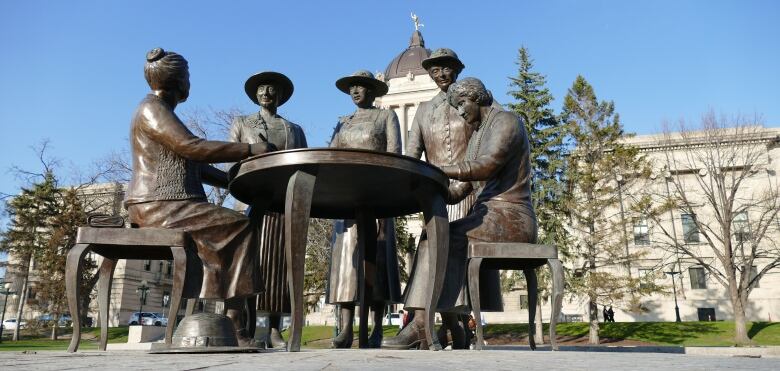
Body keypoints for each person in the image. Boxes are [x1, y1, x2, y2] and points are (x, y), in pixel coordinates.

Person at [124, 48, 274, 345]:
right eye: (188, 76)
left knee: (231, 228)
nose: (189, 82)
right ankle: (235, 323)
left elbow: (193, 163)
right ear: (178, 80)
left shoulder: (161, 111)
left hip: (170, 203)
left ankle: (228, 320)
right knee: (240, 226)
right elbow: (192, 147)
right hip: (158, 204)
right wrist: (249, 149)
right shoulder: (152, 109)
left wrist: (237, 179)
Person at [387, 78, 537, 350]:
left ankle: (422, 324)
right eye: (455, 107)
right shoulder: (478, 135)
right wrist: (431, 189)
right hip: (488, 215)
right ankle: (434, 322)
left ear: (476, 98)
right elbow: (460, 191)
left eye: (462, 105)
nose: (460, 112)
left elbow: (486, 166)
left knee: (440, 239)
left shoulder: (506, 122)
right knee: (432, 235)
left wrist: (442, 170)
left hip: (512, 217)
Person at [383, 49, 503, 350]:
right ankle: (445, 328)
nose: (441, 74)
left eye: (447, 67)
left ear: (457, 70)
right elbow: (412, 156)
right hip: (436, 197)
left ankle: (451, 327)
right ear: (429, 73)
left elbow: (495, 135)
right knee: (436, 250)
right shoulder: (423, 111)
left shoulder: (474, 103)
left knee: (455, 257)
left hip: (471, 193)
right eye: (435, 69)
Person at [228, 71, 307, 349]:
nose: (266, 93)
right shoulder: (241, 123)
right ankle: (245, 324)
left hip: (282, 205)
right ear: (255, 95)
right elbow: (232, 164)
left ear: (280, 95)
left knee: (278, 265)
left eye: (272, 89)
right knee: (249, 262)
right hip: (249, 202)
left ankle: (274, 328)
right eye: (262, 89)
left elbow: (304, 169)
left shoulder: (294, 129)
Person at [327, 70, 403, 348]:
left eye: (361, 86)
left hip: (379, 196)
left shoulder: (386, 116)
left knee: (378, 261)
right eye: (352, 87)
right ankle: (346, 329)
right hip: (347, 198)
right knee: (346, 262)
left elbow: (395, 153)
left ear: (372, 90)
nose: (355, 91)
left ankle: (377, 329)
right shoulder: (342, 122)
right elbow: (331, 156)